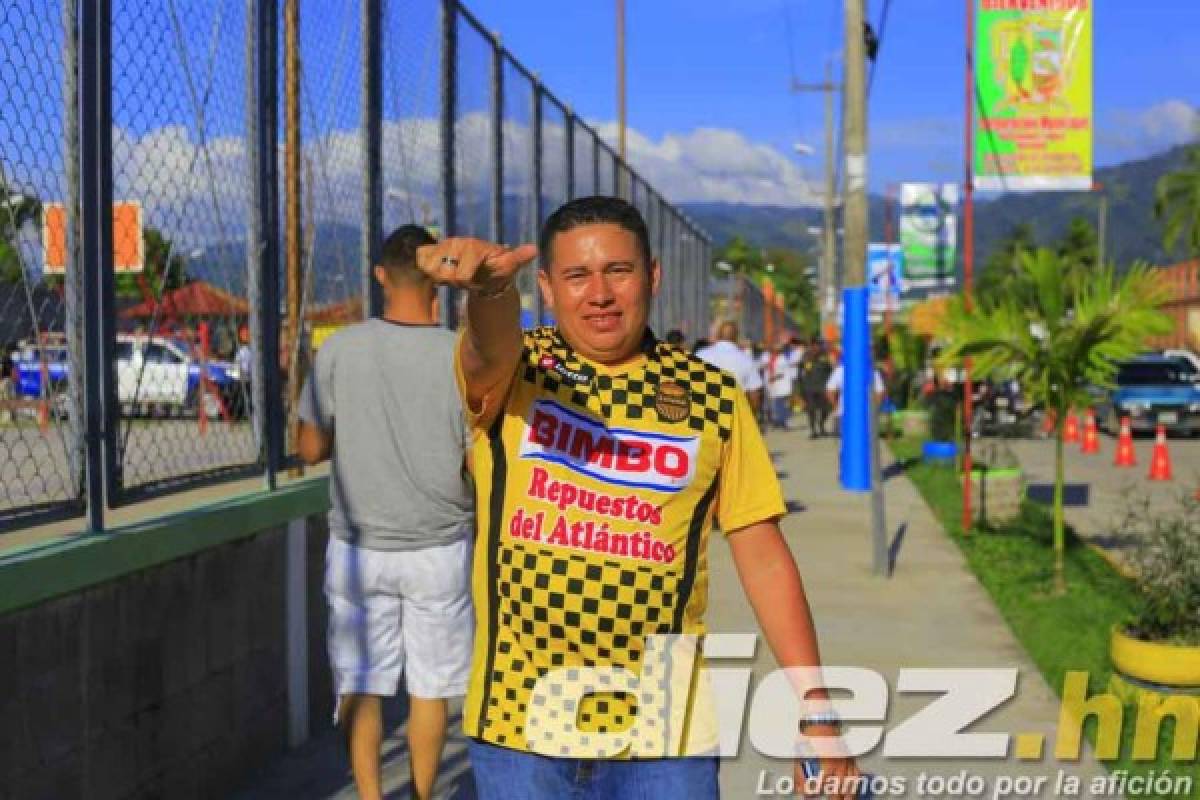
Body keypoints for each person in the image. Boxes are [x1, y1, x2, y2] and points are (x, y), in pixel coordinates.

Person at [415, 196, 858, 799]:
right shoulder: (522, 372)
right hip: (521, 730)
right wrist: (491, 292)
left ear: (651, 275)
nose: (599, 293)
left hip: (665, 739)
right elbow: (486, 348)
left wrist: (816, 710)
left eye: (617, 271)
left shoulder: (712, 398)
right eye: (577, 275)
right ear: (545, 286)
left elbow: (762, 553)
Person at [297, 224, 475, 800]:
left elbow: (310, 448)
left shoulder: (340, 349)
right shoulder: (460, 354)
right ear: (438, 278)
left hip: (358, 548)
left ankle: (371, 796)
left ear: (380, 275)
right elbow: (478, 458)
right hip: (440, 546)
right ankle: (424, 795)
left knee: (361, 684)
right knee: (431, 688)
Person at [695, 320, 763, 414]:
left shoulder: (701, 355)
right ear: (736, 336)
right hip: (734, 414)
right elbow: (755, 395)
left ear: (718, 335)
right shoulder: (746, 359)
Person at [825, 356, 886, 437]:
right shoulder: (872, 371)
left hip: (845, 412)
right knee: (866, 440)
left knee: (847, 441)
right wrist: (875, 407)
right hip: (866, 412)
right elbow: (881, 392)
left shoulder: (840, 370)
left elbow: (830, 391)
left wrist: (836, 407)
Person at [801, 347, 833, 438]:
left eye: (816, 349)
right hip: (810, 390)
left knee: (826, 409)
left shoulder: (825, 362)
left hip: (822, 389)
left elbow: (830, 373)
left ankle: (821, 425)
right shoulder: (806, 362)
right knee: (811, 410)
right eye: (812, 350)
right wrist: (801, 391)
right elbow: (801, 375)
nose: (814, 351)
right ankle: (813, 430)